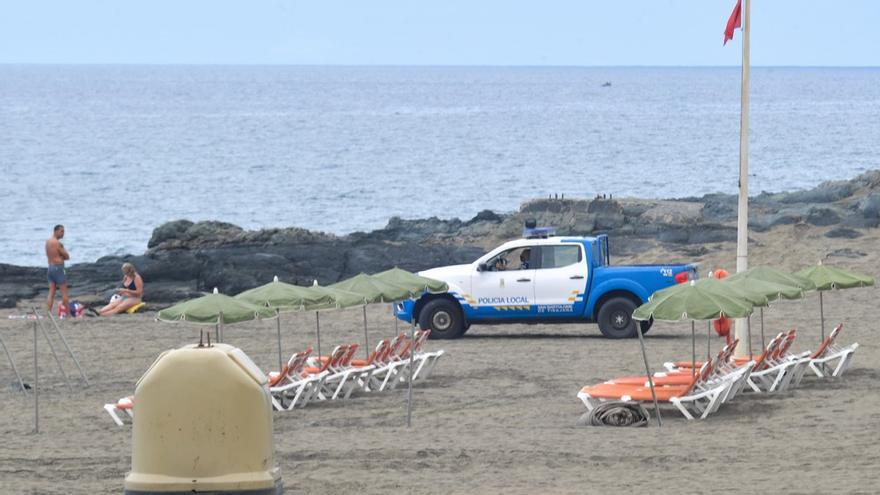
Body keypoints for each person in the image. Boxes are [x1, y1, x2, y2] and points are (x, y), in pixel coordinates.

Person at [45, 224, 70, 315]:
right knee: (64, 292)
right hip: (58, 268)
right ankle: (68, 314)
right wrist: (62, 251)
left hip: (50, 268)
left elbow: (50, 254)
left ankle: (48, 313)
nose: (63, 233)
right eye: (61, 231)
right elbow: (67, 256)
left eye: (64, 231)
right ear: (55, 231)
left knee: (51, 292)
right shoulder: (57, 243)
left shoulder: (48, 242)